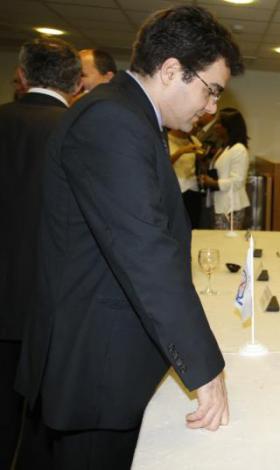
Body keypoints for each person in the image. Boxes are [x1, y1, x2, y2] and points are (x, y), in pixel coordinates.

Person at [14, 7, 242, 468]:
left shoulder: (129, 114)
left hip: (110, 354)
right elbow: (145, 253)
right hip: (95, 365)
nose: (211, 107)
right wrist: (205, 368)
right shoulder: (112, 120)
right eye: (211, 90)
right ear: (172, 70)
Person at [0, 37, 81, 470]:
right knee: (43, 432)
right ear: (76, 83)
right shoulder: (80, 132)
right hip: (54, 303)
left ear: (22, 75)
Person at [199, 107, 250, 230]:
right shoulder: (225, 148)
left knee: (227, 240)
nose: (215, 127)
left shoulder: (239, 149)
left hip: (232, 207)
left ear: (228, 127)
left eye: (218, 123)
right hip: (221, 204)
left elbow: (237, 181)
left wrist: (214, 183)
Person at [169, 129, 203, 228]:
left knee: (194, 223)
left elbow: (200, 156)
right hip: (175, 187)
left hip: (193, 187)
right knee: (177, 224)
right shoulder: (166, 139)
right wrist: (181, 152)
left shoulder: (192, 139)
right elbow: (164, 164)